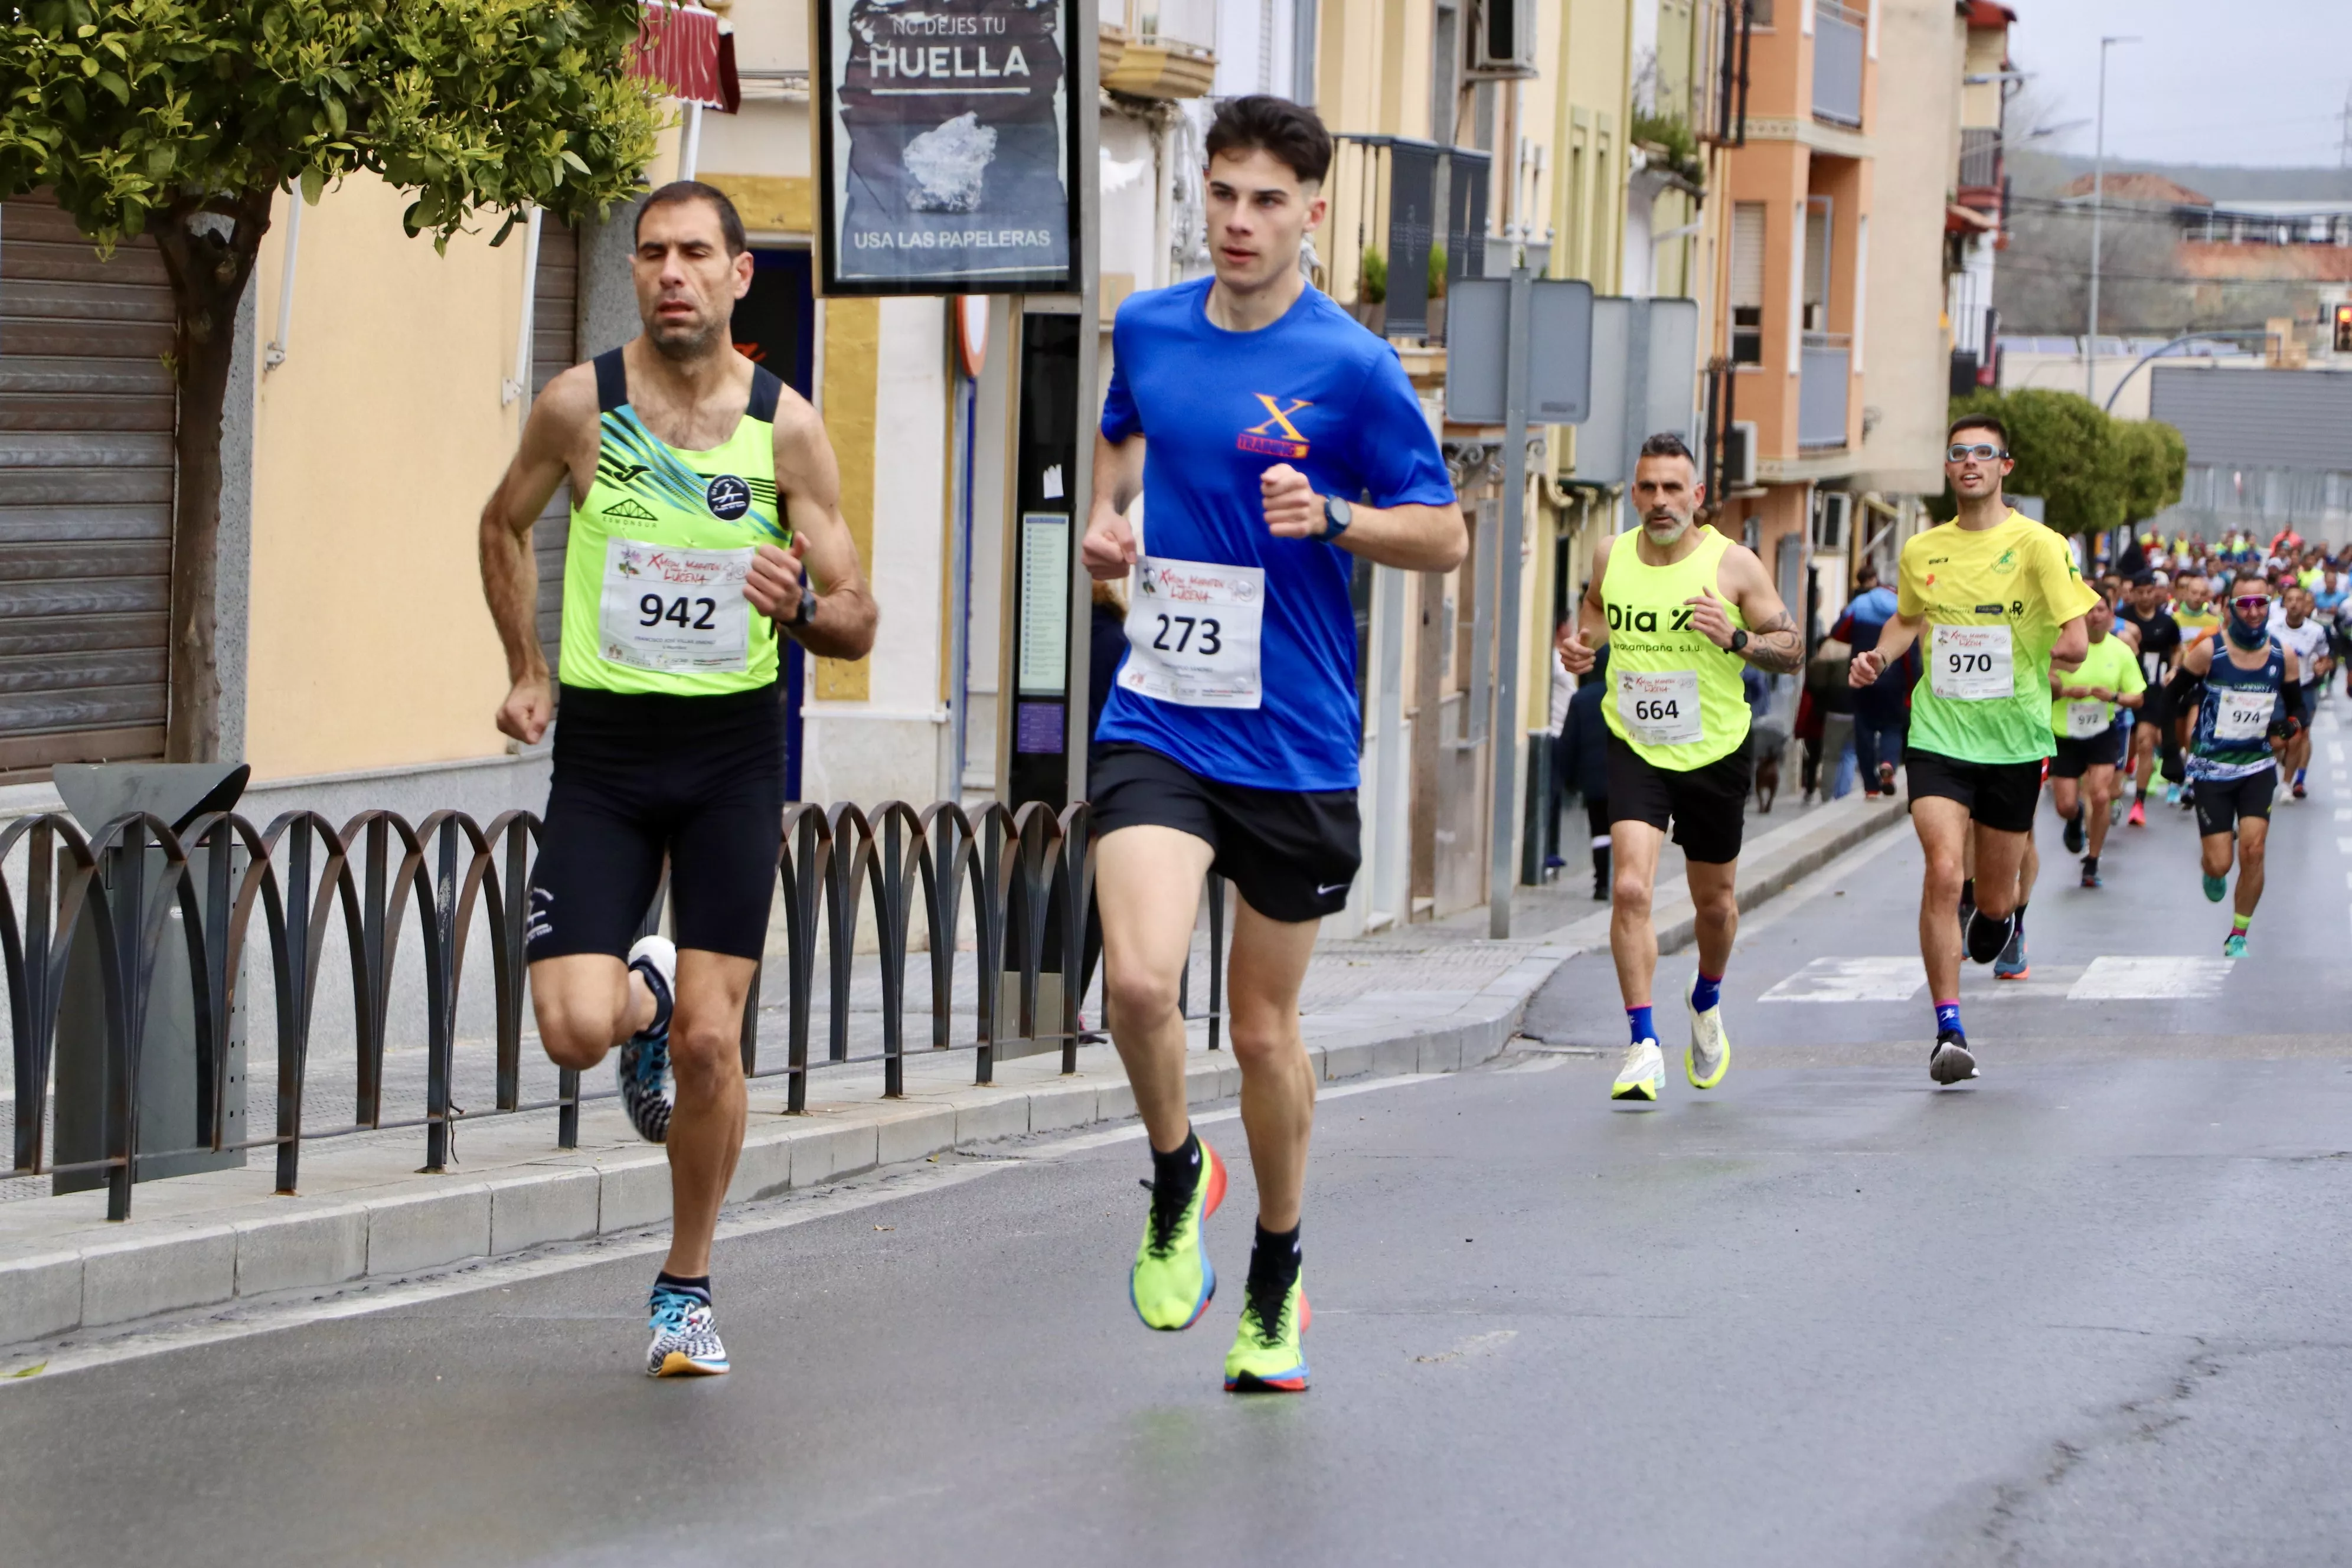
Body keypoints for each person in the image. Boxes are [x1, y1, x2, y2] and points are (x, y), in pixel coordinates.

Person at [1080, 95, 1466, 1394]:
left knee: (1259, 1028)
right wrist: (1109, 525)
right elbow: (1125, 439)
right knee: (1138, 984)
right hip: (1161, 712)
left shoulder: (1354, 366)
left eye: (1267, 200)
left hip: (1295, 737)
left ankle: (1279, 1268)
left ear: (1311, 211)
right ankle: (1178, 1163)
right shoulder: (1146, 327)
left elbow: (1444, 532)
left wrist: (1342, 516)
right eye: (1223, 194)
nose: (1240, 221)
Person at [476, 182, 877, 1377]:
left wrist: (800, 605)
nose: (671, 273)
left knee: (716, 1044)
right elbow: (501, 525)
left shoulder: (784, 429)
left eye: (696, 253)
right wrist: (527, 666)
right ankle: (638, 993)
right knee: (572, 1029)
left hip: (729, 757)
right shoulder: (577, 408)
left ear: (739, 275)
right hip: (603, 753)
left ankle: (685, 1284)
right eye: (652, 253)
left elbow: (857, 617)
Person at [1847, 416, 2095, 1084]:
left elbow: (2076, 635)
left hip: (2013, 740)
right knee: (1941, 868)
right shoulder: (1924, 549)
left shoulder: (2041, 546)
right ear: (1948, 467)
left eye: (1983, 453)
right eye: (1958, 454)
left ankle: (2000, 916)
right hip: (1938, 735)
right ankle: (1948, 1028)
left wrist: (2046, 648)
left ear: (2005, 467)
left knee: (1992, 898)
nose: (1969, 463)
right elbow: (1908, 618)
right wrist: (1877, 656)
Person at [1557, 434, 1802, 1104]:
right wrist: (1579, 650)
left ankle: (1706, 997)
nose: (1660, 501)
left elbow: (1794, 647)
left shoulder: (1735, 566)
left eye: (1673, 489)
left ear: (1697, 498)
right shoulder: (1611, 554)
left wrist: (1738, 638)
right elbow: (1591, 619)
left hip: (1715, 749)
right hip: (1634, 742)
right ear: (1634, 493)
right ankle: (1642, 1043)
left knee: (1715, 904)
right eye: (1648, 488)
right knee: (1632, 889)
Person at [2181, 578, 2298, 956]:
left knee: (2254, 850)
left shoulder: (2284, 656)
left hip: (2258, 767)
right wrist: (2172, 752)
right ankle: (2210, 867)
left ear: (2269, 605)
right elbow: (2172, 698)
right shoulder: (2208, 652)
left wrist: (2289, 726)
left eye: (2260, 602)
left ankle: (2238, 934)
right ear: (2229, 606)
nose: (2253, 611)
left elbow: (2298, 710)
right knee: (2220, 864)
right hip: (2212, 769)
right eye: (2244, 603)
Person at [2049, 583, 2145, 888]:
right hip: (2063, 732)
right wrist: (2064, 691)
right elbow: (2040, 682)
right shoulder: (2060, 646)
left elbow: (2138, 697)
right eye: (2087, 611)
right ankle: (2075, 820)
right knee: (2065, 805)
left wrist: (2114, 696)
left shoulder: (2121, 651)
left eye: (2100, 610)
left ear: (2110, 615)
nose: (2093, 616)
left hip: (2102, 732)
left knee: (2101, 795)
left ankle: (2092, 860)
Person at [1832, 563, 1913, 796]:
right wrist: (1910, 686)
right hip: (1893, 678)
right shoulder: (1900, 607)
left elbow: (1838, 631)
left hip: (1862, 672)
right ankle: (1888, 762)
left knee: (1864, 727)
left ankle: (1870, 787)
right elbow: (1910, 650)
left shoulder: (1860, 603)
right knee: (1892, 726)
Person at [2115, 571, 2181, 826]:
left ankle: (2139, 803)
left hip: (2154, 691)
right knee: (2128, 749)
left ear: (2157, 591)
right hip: (2127, 690)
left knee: (2146, 742)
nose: (2145, 597)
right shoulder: (2123, 619)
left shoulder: (2167, 622)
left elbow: (2177, 650)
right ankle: (2115, 788)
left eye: (2149, 591)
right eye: (2139, 592)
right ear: (2132, 593)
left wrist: (2174, 669)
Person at [1558, 643, 1615, 898]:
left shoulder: (1581, 699)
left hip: (1594, 781)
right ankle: (1625, 877)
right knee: (1627, 831)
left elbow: (1568, 742)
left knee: (1600, 832)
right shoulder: (1628, 694)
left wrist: (1569, 779)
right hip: (1627, 779)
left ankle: (1601, 883)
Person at [2266, 586, 2330, 797]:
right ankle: (2282, 759)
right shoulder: (2271, 629)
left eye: (2299, 600)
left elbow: (2324, 657)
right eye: (2290, 600)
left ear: (2306, 604)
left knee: (2299, 735)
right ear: (2284, 604)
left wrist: (2322, 666)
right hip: (2277, 690)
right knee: (2278, 741)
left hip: (2304, 688)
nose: (2294, 604)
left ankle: (2288, 783)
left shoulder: (2316, 631)